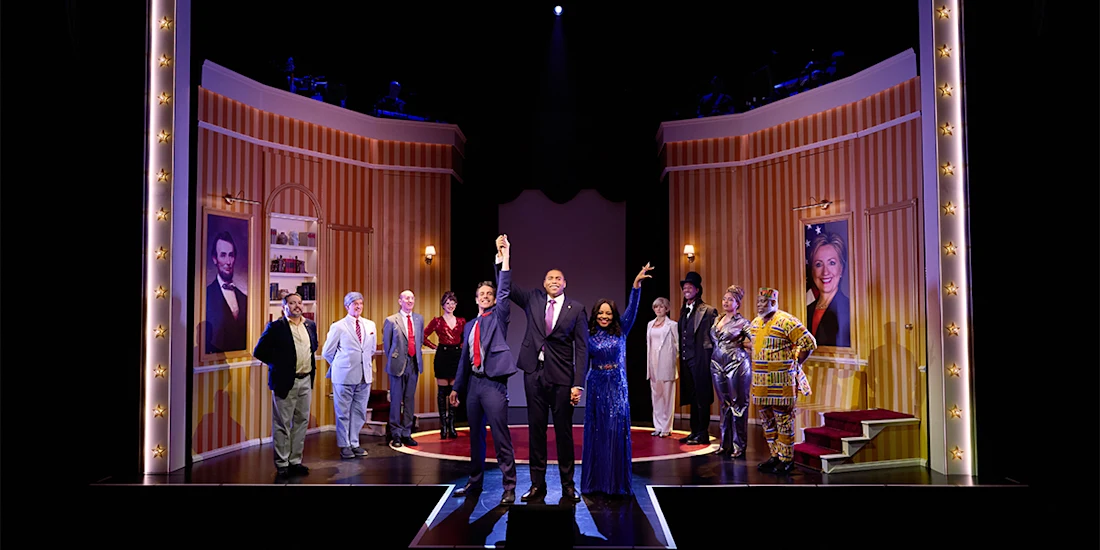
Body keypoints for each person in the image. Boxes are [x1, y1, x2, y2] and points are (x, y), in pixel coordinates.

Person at [495, 234, 588, 503]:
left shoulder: (577, 309)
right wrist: (505, 257)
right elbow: (508, 287)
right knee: (536, 430)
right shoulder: (533, 299)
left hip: (561, 378)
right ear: (543, 283)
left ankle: (568, 485)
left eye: (558, 279)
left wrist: (577, 383)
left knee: (564, 433)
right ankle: (538, 485)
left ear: (565, 283)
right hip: (533, 374)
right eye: (550, 278)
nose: (554, 282)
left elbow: (581, 349)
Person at [449, 239, 518, 505]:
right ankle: (474, 482)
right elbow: (464, 361)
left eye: (490, 294)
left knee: (500, 437)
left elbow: (504, 291)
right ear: (476, 299)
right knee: (474, 437)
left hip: (493, 385)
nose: (487, 297)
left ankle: (509, 486)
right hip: (474, 387)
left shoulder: (499, 317)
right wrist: (456, 388)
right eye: (482, 295)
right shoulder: (470, 326)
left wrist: (504, 259)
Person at [580, 263, 652, 497]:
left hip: (616, 385)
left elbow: (633, 309)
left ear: (614, 316)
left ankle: (615, 483)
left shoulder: (622, 330)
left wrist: (636, 285)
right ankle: (596, 483)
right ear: (595, 315)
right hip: (596, 384)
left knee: (614, 430)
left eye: (608, 313)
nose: (604, 316)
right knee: (597, 432)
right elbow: (582, 361)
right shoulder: (589, 335)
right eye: (600, 313)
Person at [747, 287, 817, 475]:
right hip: (760, 383)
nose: (759, 305)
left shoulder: (787, 321)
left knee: (783, 420)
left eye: (764, 302)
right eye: (758, 302)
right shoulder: (754, 323)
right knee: (767, 421)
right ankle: (775, 455)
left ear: (773, 302)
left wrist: (796, 361)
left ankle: (787, 459)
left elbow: (809, 342)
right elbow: (754, 346)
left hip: (782, 382)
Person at [252, 292, 318, 477]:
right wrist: (280, 364)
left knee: (301, 422)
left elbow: (314, 347)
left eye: (299, 302)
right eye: (292, 303)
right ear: (284, 306)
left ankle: (295, 461)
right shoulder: (276, 327)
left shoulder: (310, 325)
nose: (297, 305)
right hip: (285, 382)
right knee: (282, 423)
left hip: (306, 380)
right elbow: (259, 351)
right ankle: (282, 465)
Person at [321, 291, 376, 459]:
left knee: (359, 411)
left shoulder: (370, 325)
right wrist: (341, 365)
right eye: (355, 304)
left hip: (364, 376)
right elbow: (327, 352)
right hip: (344, 376)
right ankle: (344, 445)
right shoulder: (338, 326)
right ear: (347, 307)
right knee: (343, 412)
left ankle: (354, 442)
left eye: (360, 303)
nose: (358, 307)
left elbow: (371, 349)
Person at [709, 285, 753, 457]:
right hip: (717, 363)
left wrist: (743, 344)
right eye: (724, 299)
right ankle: (724, 444)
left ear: (737, 303)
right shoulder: (717, 320)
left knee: (738, 404)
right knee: (724, 404)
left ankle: (739, 446)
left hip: (736, 364)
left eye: (730, 300)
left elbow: (756, 340)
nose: (726, 302)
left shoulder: (743, 322)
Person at [678, 271, 718, 445]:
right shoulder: (683, 310)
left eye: (689, 287)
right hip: (687, 360)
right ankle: (694, 431)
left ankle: (702, 432)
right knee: (692, 397)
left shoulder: (708, 311)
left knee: (702, 397)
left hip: (701, 360)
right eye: (684, 287)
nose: (686, 289)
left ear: (697, 289)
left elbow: (715, 338)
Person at [383, 290, 425, 448]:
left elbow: (419, 341)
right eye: (406, 298)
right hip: (397, 365)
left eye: (412, 298)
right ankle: (396, 434)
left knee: (409, 400)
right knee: (396, 401)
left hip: (413, 364)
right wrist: (396, 358)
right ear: (399, 301)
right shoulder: (391, 320)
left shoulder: (419, 319)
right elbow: (387, 346)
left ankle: (407, 432)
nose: (410, 300)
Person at [425, 291, 466, 439]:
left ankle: (452, 425)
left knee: (454, 390)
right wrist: (435, 347)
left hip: (456, 355)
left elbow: (466, 337)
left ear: (456, 305)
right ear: (443, 305)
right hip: (442, 355)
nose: (450, 305)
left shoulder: (461, 321)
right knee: (442, 392)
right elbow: (423, 336)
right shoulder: (437, 321)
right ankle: (443, 426)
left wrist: (461, 346)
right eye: (447, 303)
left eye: (453, 303)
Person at [805, 231, 851, 347]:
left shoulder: (850, 309)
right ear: (812, 270)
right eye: (819, 264)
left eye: (831, 263)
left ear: (841, 268)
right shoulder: (806, 311)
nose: (825, 272)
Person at [206, 231, 248, 353]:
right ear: (215, 259)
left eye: (231, 255)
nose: (228, 262)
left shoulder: (244, 298)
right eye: (223, 255)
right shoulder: (206, 296)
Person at [646, 297, 678, 438]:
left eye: (661, 307)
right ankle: (658, 426)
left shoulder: (672, 325)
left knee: (667, 396)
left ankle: (666, 427)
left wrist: (671, 360)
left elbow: (677, 346)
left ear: (666, 308)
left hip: (666, 364)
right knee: (656, 396)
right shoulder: (650, 324)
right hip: (652, 364)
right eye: (656, 307)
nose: (658, 309)